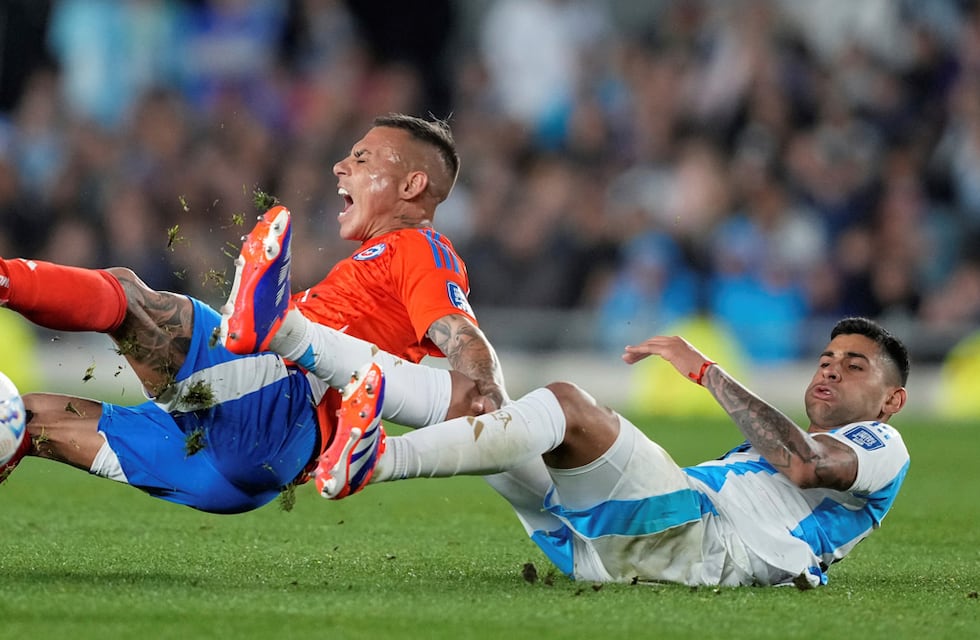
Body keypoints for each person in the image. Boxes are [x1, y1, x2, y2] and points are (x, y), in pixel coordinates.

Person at [0, 113, 506, 514]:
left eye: (362, 157)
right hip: (246, 473)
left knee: (130, 298)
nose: (340, 166)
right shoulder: (379, 261)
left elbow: (460, 334)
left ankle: (8, 279)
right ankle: (260, 317)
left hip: (276, 401)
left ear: (412, 185)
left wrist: (491, 403)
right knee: (30, 420)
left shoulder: (419, 247)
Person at [310, 316, 910, 588]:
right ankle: (291, 337)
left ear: (892, 401)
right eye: (825, 361)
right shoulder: (782, 447)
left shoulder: (882, 443)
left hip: (707, 544)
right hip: (626, 550)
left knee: (566, 405)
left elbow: (804, 463)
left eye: (853, 367)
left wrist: (705, 372)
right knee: (478, 401)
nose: (830, 373)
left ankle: (373, 458)